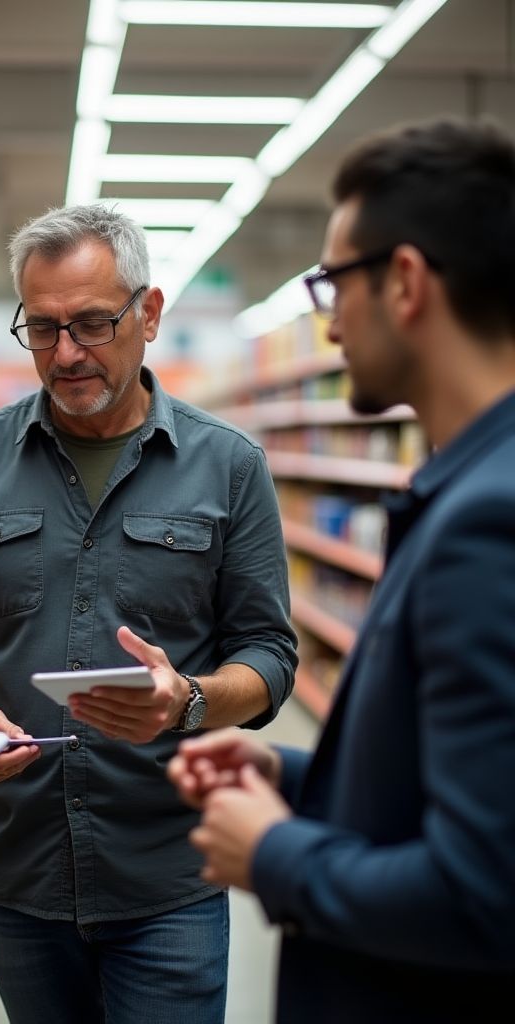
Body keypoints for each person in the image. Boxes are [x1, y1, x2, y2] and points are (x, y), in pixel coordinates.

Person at [0, 203, 298, 1023]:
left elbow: (269, 652)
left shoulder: (230, 467)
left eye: (93, 324)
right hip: (17, 871)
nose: (65, 355)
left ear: (149, 314)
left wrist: (191, 701)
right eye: (42, 329)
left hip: (168, 872)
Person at [169, 116, 515, 1023]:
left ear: (404, 282)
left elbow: (491, 891)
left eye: (332, 283)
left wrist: (273, 852)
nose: (326, 324)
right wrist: (294, 780)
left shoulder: (489, 520)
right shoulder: (467, 485)